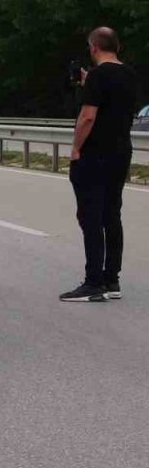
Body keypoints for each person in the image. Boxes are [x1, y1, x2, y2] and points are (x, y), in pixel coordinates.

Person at [62, 27, 139, 303]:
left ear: (94, 47)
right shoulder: (129, 74)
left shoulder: (97, 75)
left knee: (90, 216)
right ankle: (111, 279)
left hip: (95, 153)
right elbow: (114, 105)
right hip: (121, 152)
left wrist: (76, 147)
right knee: (111, 214)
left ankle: (93, 281)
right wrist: (88, 84)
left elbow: (88, 117)